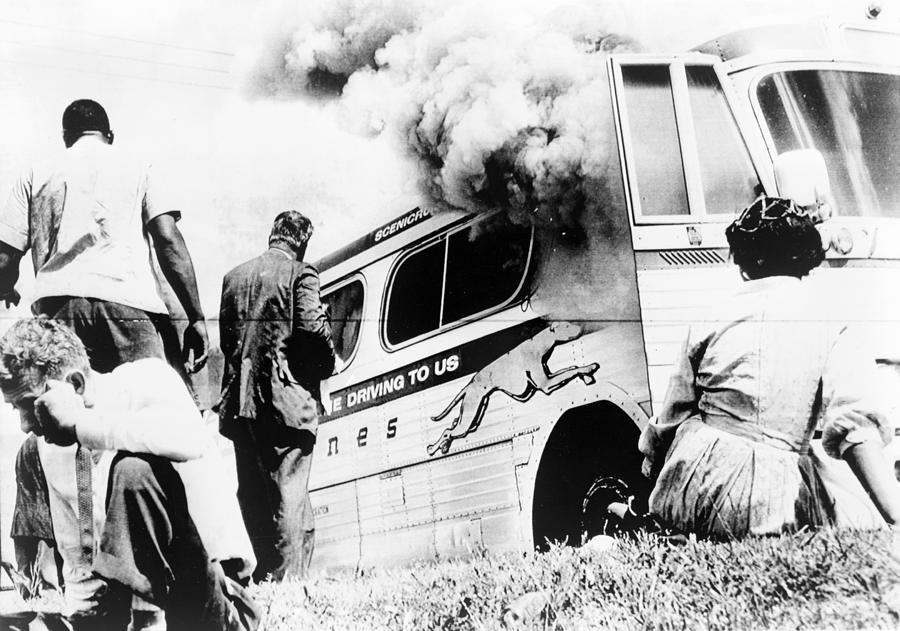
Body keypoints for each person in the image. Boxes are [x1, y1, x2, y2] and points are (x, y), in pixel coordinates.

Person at [0, 98, 211, 590]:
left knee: (51, 433)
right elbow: (168, 239)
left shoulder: (38, 169)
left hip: (59, 309)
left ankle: (72, 571)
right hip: (128, 305)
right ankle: (176, 560)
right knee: (154, 420)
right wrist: (195, 316)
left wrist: (8, 290)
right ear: (108, 134)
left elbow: (5, 256)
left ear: (67, 136)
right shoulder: (137, 161)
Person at [638, 197, 900, 539]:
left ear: (743, 261)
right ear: (808, 259)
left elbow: (672, 418)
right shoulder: (831, 318)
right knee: (849, 514)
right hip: (768, 497)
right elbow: (856, 431)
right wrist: (894, 514)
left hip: (694, 485)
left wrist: (656, 489)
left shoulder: (711, 314)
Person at [0, 317, 258, 631]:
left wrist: (84, 426)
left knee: (133, 472)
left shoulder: (146, 380)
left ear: (76, 385)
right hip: (117, 611)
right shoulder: (47, 446)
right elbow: (77, 559)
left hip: (208, 600)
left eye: (29, 403)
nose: (25, 424)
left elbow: (188, 440)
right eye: (16, 408)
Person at [218, 210, 335, 581]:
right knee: (289, 492)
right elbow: (313, 331)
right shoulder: (302, 273)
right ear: (301, 242)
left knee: (254, 493)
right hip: (286, 403)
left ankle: (270, 574)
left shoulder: (232, 278)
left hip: (240, 405)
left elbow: (227, 341)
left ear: (273, 235)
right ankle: (286, 582)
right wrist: (325, 364)